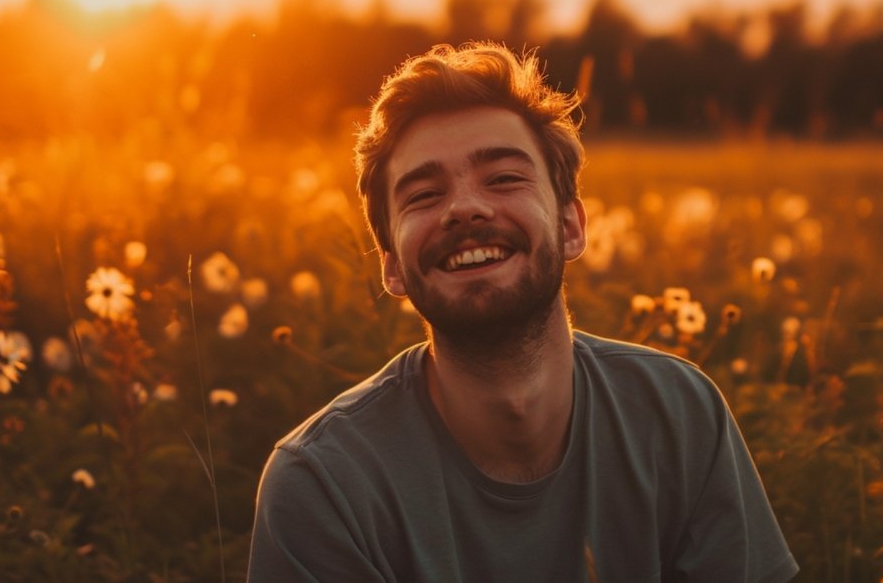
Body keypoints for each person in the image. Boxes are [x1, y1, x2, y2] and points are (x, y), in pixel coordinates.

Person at [248, 43, 798, 582]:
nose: (465, 207)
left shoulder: (678, 414)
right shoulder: (324, 484)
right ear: (391, 266)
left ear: (571, 226)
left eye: (505, 178)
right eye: (423, 195)